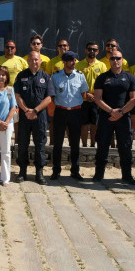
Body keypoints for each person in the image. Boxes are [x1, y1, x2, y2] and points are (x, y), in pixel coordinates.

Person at [92, 50, 135, 183]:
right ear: (109, 60)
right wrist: (111, 111)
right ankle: (99, 174)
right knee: (102, 146)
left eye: (118, 58)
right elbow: (97, 98)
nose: (115, 61)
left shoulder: (130, 78)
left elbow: (134, 99)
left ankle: (127, 175)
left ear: (122, 59)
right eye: (112, 58)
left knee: (125, 146)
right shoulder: (102, 77)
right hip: (106, 117)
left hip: (124, 118)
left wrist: (121, 112)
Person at [14, 51, 55, 184]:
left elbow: (49, 98)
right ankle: (22, 171)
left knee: (40, 143)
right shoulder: (21, 76)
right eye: (31, 60)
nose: (34, 62)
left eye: (36, 60)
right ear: (28, 61)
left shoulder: (46, 77)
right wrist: (26, 110)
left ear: (40, 61)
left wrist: (35, 110)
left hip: (40, 116)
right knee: (22, 143)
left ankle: (39, 172)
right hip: (25, 116)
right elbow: (17, 95)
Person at [50, 51, 88, 180]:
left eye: (75, 60)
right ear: (64, 62)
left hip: (76, 112)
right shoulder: (55, 77)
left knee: (75, 143)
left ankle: (75, 170)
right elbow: (52, 95)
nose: (74, 62)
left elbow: (84, 94)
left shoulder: (80, 76)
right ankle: (56, 171)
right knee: (57, 143)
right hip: (60, 111)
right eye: (71, 60)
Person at [76, 42, 108, 147]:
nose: (92, 51)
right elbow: (75, 83)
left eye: (94, 49)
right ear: (86, 50)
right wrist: (86, 94)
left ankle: (93, 144)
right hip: (82, 99)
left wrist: (95, 95)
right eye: (90, 49)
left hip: (97, 99)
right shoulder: (78, 65)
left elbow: (104, 83)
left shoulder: (102, 65)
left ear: (98, 52)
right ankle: (84, 145)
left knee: (95, 124)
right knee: (83, 124)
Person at [46, 39, 70, 146]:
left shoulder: (74, 61)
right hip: (55, 96)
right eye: (60, 45)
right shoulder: (51, 62)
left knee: (69, 123)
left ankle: (70, 145)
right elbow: (47, 79)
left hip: (69, 97)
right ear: (57, 48)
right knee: (53, 121)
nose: (62, 47)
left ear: (68, 47)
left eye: (64, 45)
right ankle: (52, 143)